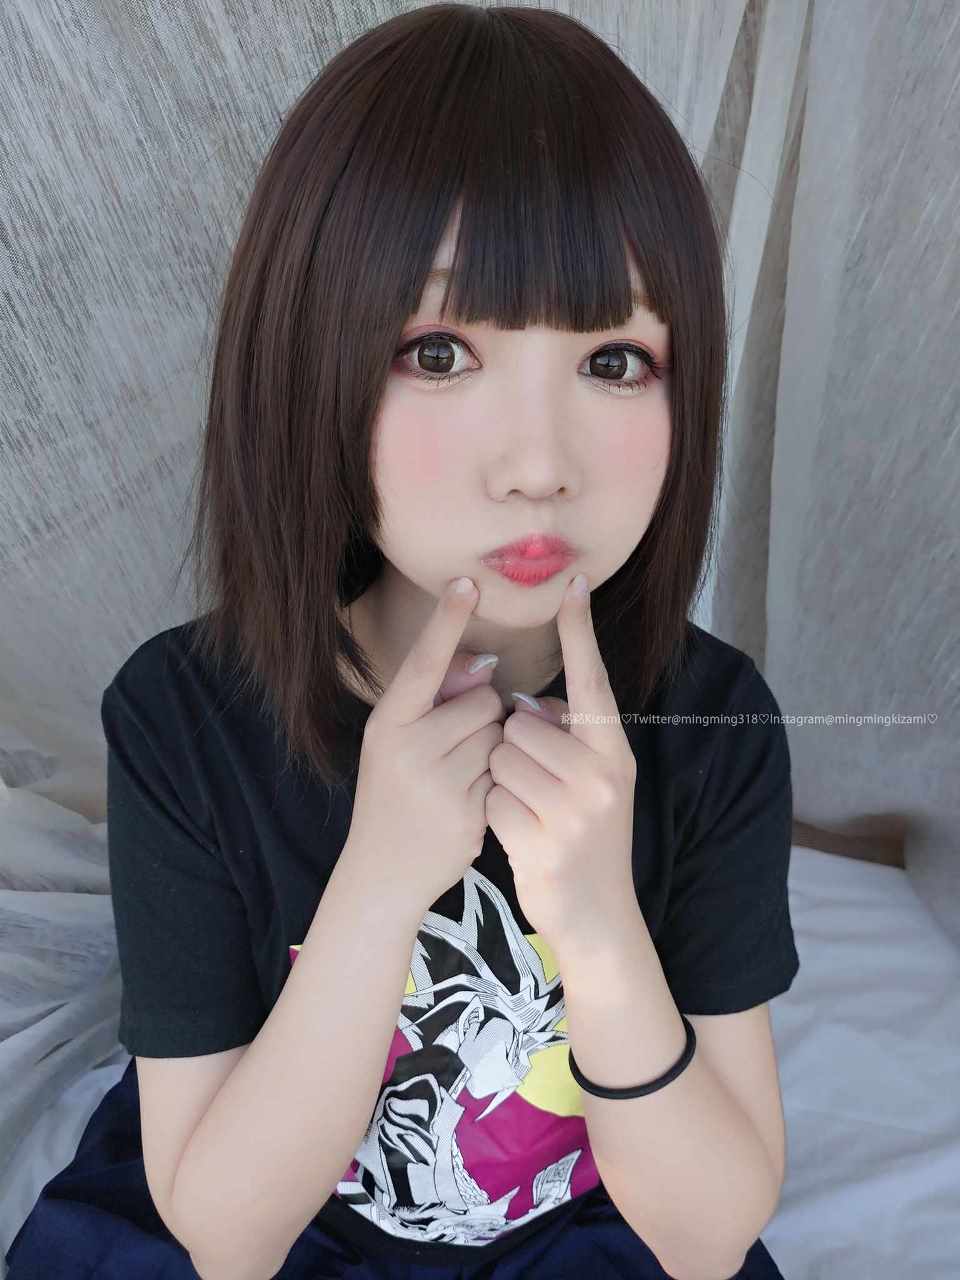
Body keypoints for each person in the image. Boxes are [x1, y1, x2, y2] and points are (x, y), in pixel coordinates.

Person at [6, 5, 800, 1278]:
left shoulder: (714, 726)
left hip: (586, 1227)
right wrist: (379, 879)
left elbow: (708, 1236)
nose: (538, 466)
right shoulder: (183, 718)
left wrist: (598, 919)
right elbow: (226, 1232)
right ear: (309, 364)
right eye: (439, 351)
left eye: (613, 360)